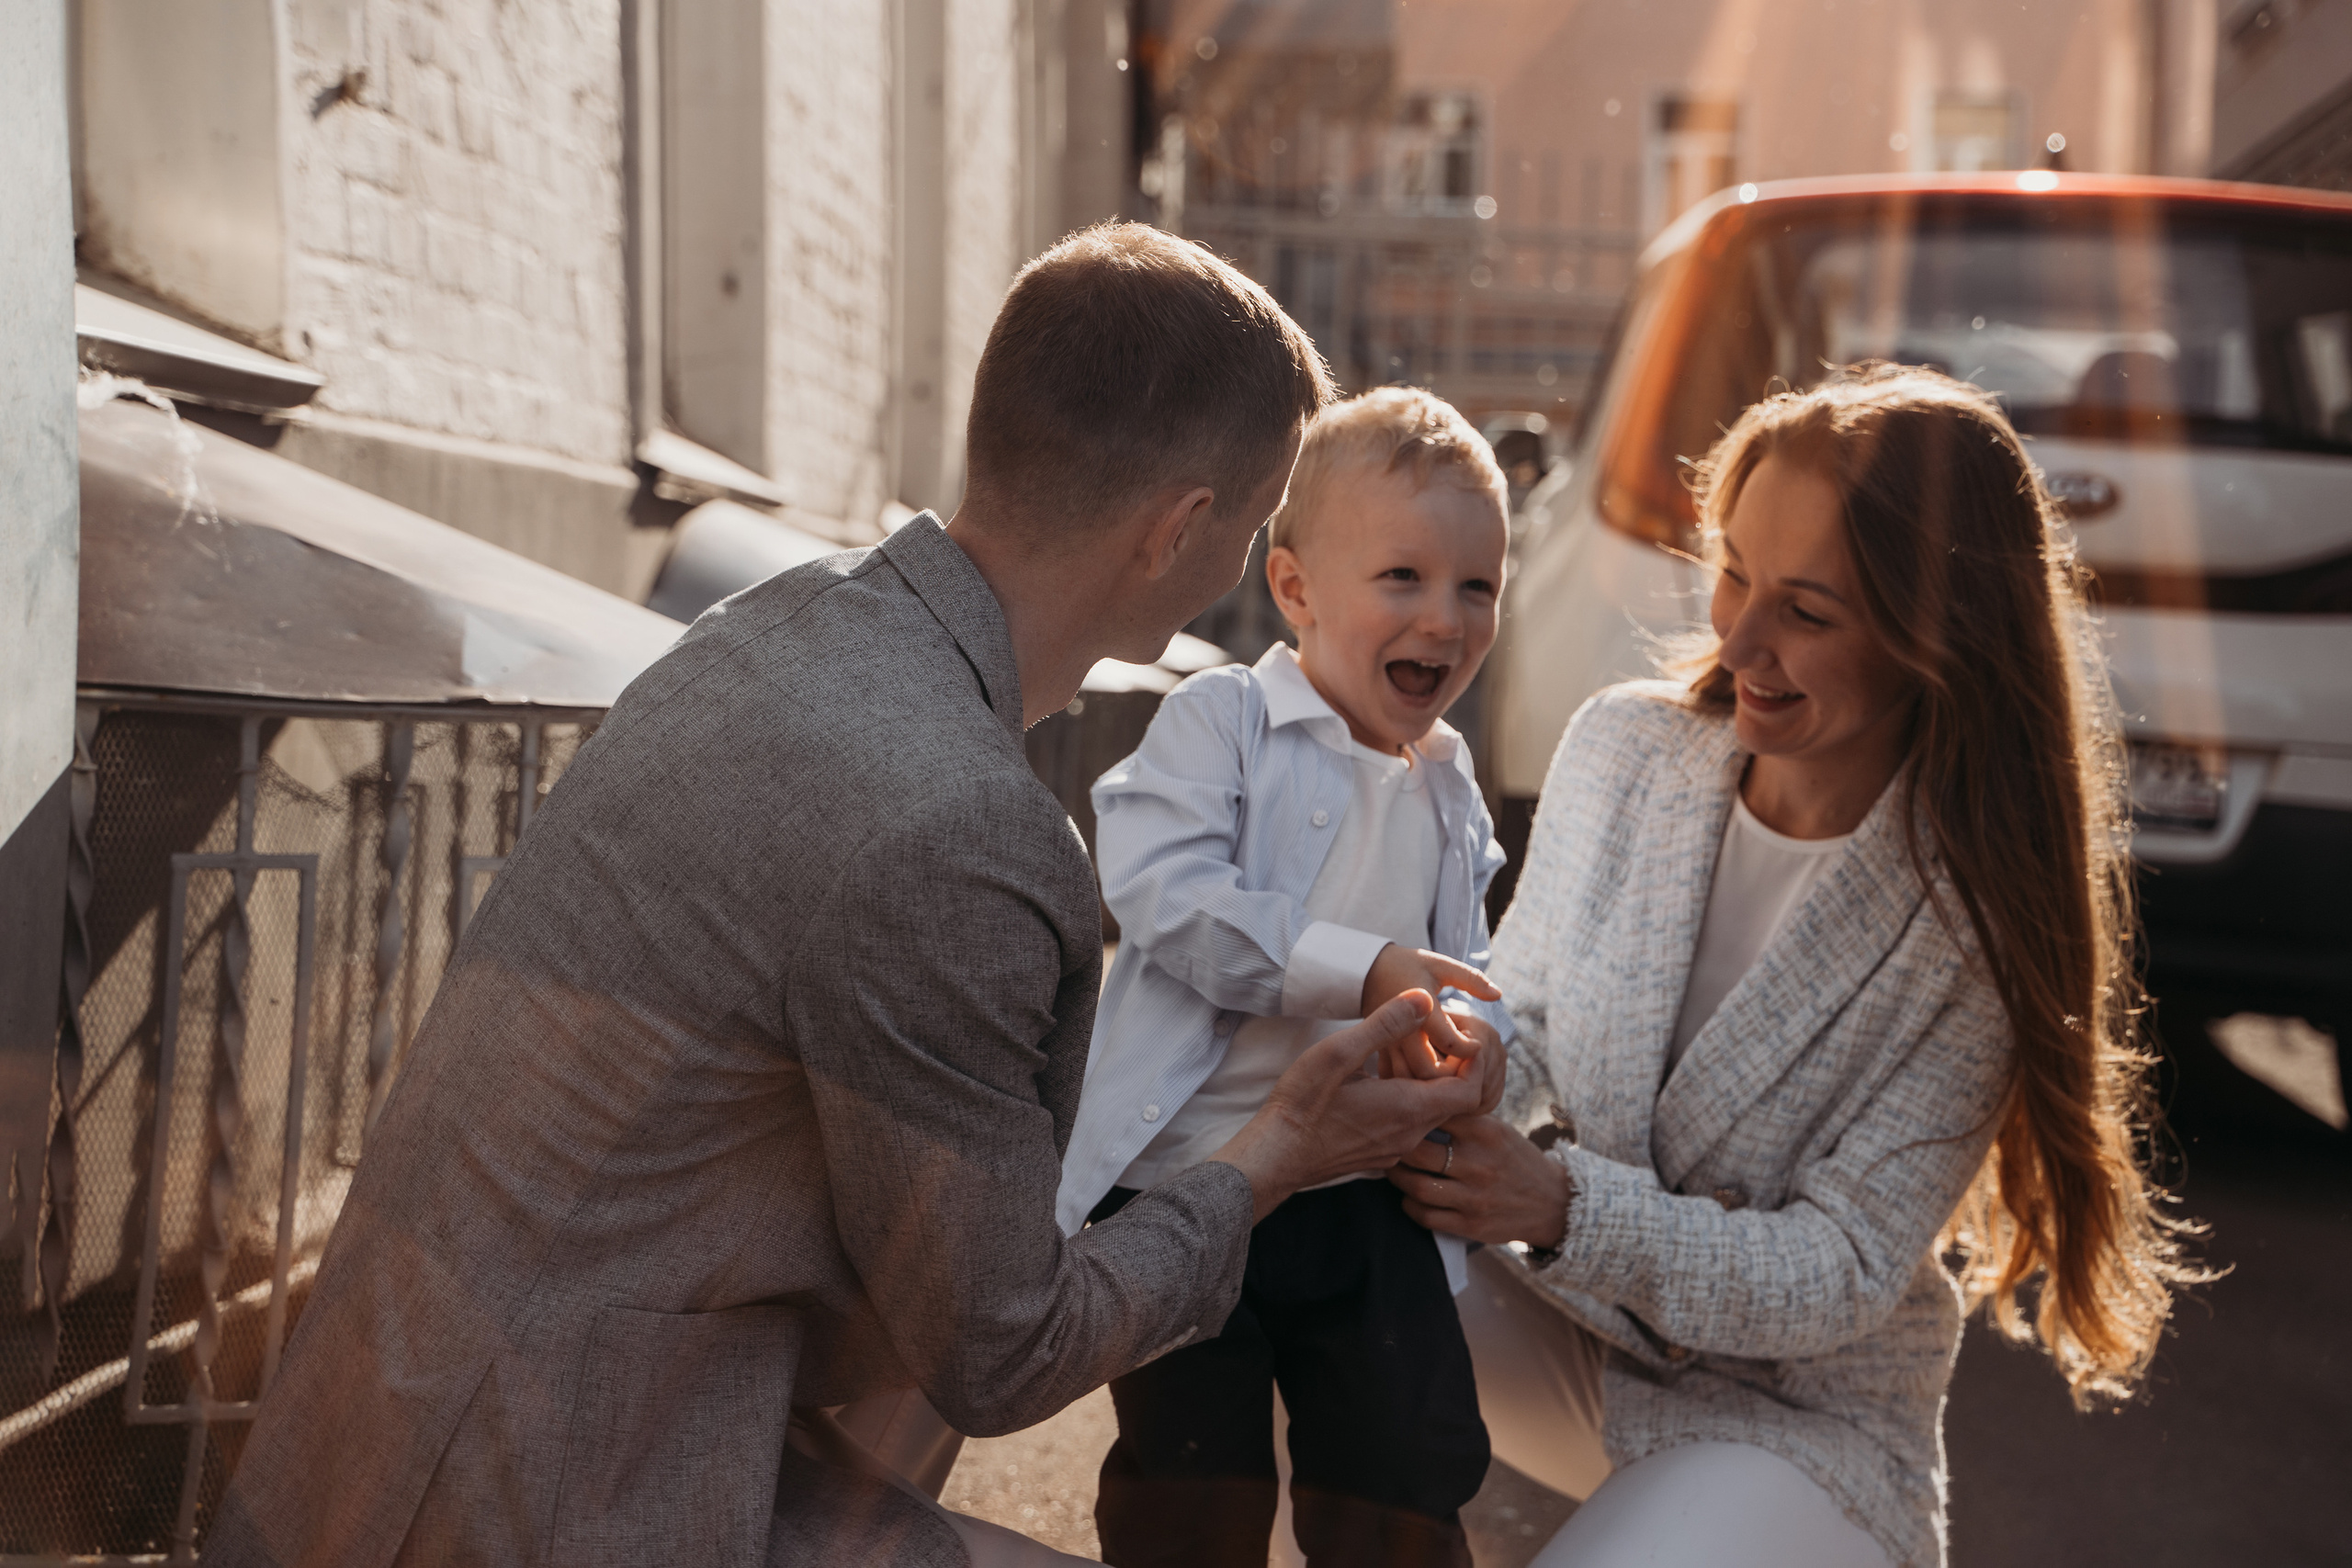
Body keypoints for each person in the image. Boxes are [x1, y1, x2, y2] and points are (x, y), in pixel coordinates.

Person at [203, 224, 1486, 1568]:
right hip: (529, 1493)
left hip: (400, 1423)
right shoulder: (962, 827)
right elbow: (1007, 1350)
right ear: (1181, 529)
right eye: (1257, 516)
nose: (1246, 568)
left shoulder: (770, 628)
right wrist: (1280, 1145)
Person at [1385, 367, 2205, 1568]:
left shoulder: (1973, 912)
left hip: (1802, 1420)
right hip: (1581, 1330)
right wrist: (1448, 1078)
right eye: (1733, 570)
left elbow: (1841, 1265)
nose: (1742, 636)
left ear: (1938, 637)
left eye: (1809, 611)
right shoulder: (1624, 747)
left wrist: (1564, 1203)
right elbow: (1536, 1021)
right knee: (1292, 1254)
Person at [1056, 388, 1515, 1567]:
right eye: (1403, 578)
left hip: (1363, 1183)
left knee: (1406, 1463)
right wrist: (1364, 974)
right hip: (1194, 1180)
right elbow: (1163, 890)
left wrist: (1467, 1041)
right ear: (1297, 588)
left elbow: (1460, 963)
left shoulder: (1451, 782)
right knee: (1191, 1479)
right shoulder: (1225, 722)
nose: (1445, 617)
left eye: (1478, 587)